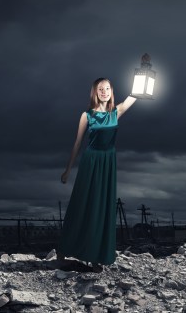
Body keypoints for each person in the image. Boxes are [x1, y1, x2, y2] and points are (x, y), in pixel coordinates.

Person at [57, 77, 137, 272]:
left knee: (102, 207)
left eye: (107, 88)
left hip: (108, 162)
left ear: (111, 91)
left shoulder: (116, 112)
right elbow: (77, 143)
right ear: (95, 92)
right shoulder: (87, 115)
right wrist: (68, 169)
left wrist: (144, 70)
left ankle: (95, 256)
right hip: (91, 162)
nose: (104, 92)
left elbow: (135, 95)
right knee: (82, 204)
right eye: (100, 89)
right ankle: (63, 252)